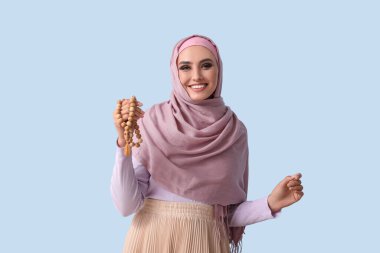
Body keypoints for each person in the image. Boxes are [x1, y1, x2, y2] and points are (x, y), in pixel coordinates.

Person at [111, 34, 304, 253]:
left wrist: (270, 203)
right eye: (185, 67)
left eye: (206, 65)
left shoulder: (234, 131)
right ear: (175, 72)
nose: (196, 76)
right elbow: (126, 206)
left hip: (207, 243)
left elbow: (225, 214)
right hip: (151, 240)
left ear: (218, 70)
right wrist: (123, 144)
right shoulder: (152, 122)